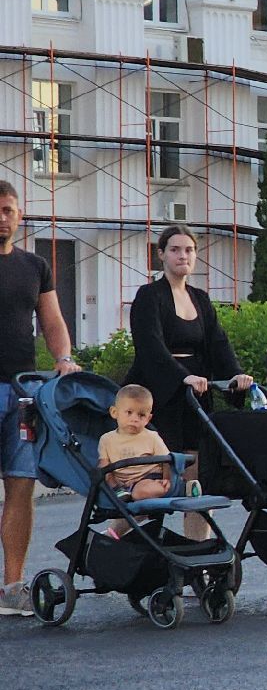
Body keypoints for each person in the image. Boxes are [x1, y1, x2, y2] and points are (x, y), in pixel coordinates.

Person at [125, 225, 254, 538]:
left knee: (197, 480)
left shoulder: (200, 298)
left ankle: (197, 559)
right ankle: (113, 540)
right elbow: (150, 347)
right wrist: (183, 378)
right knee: (158, 481)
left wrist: (235, 374)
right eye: (175, 250)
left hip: (196, 397)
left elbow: (218, 344)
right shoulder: (148, 296)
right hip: (159, 396)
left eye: (189, 250)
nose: (182, 256)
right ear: (161, 255)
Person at [0, 181, 82, 616]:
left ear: (19, 214)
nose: (2, 218)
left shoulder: (34, 266)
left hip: (23, 391)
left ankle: (12, 586)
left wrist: (64, 359)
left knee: (20, 485)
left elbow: (52, 322)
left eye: (8, 210)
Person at [97, 384, 174, 538]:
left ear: (148, 418)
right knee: (106, 475)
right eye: (129, 413)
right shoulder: (106, 439)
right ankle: (122, 492)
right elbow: (104, 463)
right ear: (115, 412)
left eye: (141, 415)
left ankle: (180, 487)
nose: (134, 419)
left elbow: (166, 459)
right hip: (121, 482)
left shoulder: (151, 436)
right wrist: (106, 478)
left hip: (147, 477)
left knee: (141, 492)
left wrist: (167, 478)